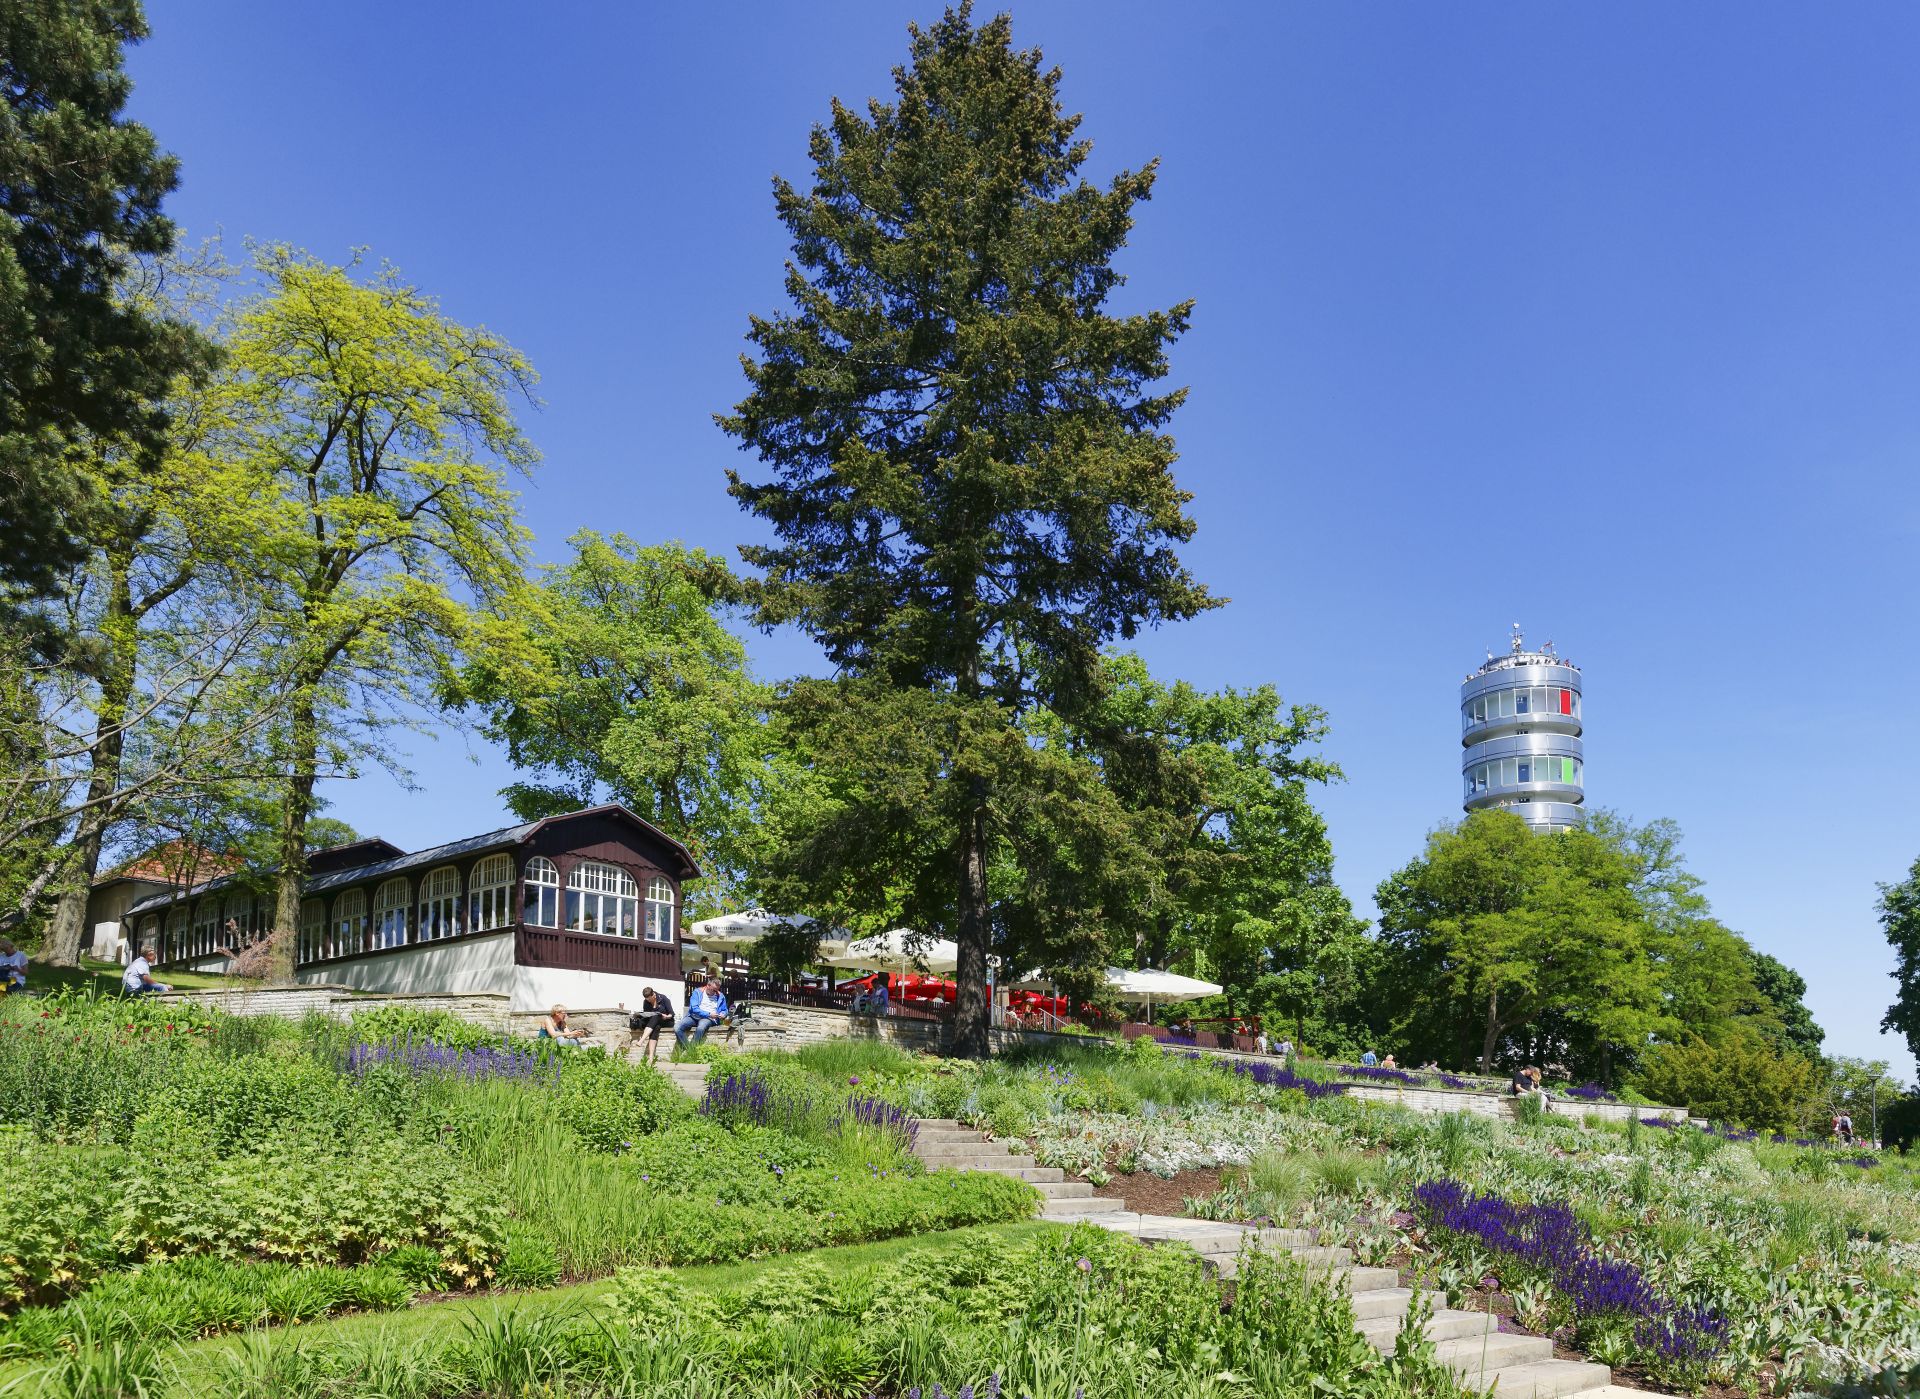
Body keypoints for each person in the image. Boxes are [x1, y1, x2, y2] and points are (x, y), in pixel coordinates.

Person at [621, 987, 672, 1064]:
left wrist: (666, 1016)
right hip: (654, 1022)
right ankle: (651, 1057)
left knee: (656, 1016)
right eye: (646, 999)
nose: (648, 1000)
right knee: (656, 1026)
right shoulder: (646, 1002)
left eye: (649, 999)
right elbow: (647, 1014)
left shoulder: (663, 998)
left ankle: (642, 1040)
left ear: (653, 995)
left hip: (667, 1021)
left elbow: (671, 1014)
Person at [676, 977, 730, 1047]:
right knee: (677, 1027)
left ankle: (692, 1048)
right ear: (708, 985)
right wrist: (708, 1014)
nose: (715, 992)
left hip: (709, 1019)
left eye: (717, 990)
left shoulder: (720, 995)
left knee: (701, 1027)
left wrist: (723, 1014)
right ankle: (688, 1048)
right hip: (694, 1016)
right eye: (713, 990)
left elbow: (724, 1010)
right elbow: (694, 1008)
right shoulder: (697, 992)